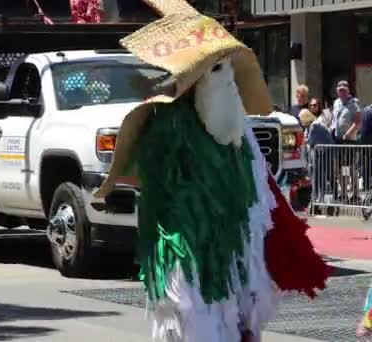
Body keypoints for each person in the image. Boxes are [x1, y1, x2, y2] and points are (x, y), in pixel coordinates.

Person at [94, 1, 329, 340]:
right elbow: (148, 187)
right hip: (190, 259)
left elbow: (263, 193)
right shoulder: (167, 130)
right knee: (196, 320)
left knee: (239, 322)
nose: (230, 83)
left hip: (237, 256)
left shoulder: (240, 135)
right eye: (216, 71)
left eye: (229, 69)